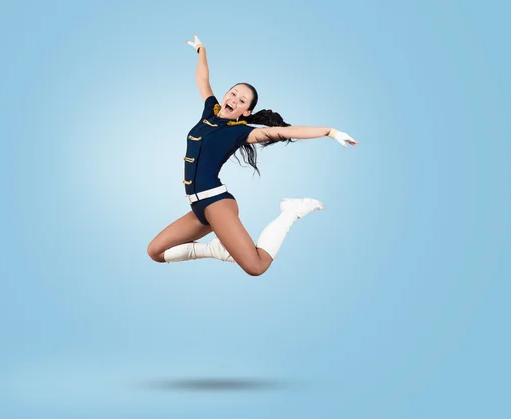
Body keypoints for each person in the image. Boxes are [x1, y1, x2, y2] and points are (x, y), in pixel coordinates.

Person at [147, 34, 358, 276]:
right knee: (156, 252)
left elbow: (282, 131)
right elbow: (203, 79)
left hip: (217, 204)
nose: (234, 99)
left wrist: (329, 132)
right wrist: (201, 49)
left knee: (257, 266)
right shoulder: (210, 111)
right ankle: (216, 250)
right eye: (233, 93)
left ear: (246, 111)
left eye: (242, 100)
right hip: (197, 206)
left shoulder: (240, 132)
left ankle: (292, 210)